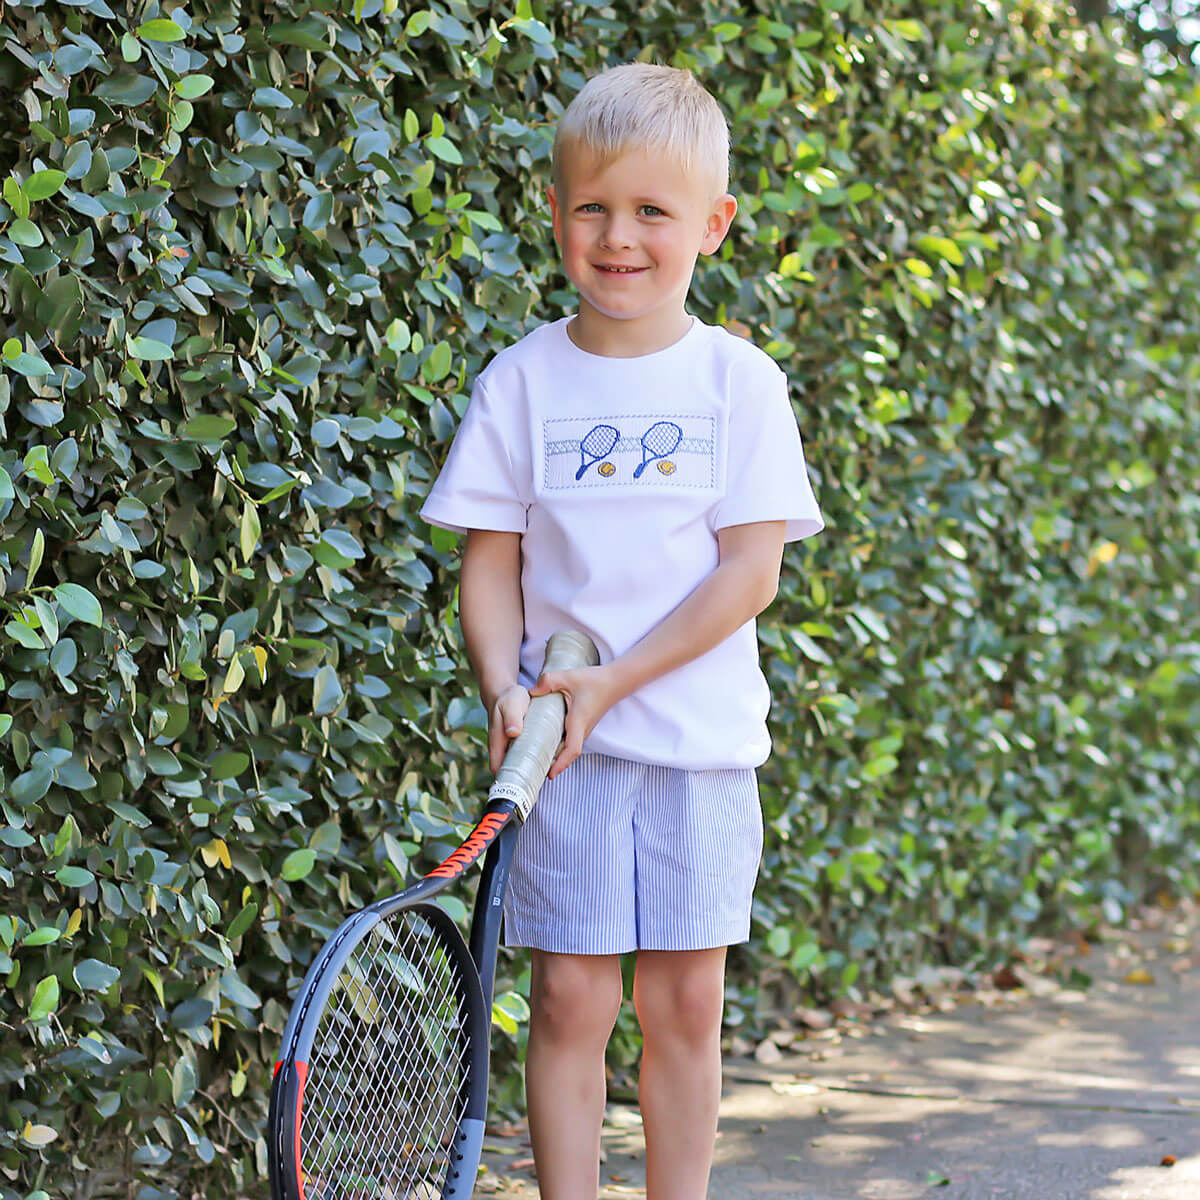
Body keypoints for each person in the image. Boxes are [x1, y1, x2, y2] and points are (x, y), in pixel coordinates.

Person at [420, 60, 824, 1200]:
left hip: (699, 752)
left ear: (714, 224)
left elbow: (748, 575)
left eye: (653, 210)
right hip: (569, 760)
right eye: (592, 206)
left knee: (685, 1003)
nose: (620, 236)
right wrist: (509, 688)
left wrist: (619, 680)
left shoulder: (738, 384)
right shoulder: (521, 383)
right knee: (570, 1000)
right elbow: (490, 560)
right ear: (555, 215)